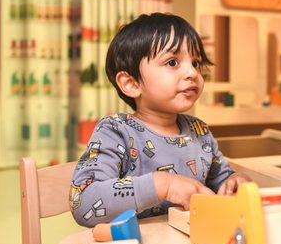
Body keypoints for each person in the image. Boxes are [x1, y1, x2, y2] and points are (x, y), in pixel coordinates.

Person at [69, 12, 250, 227]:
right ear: (131, 83)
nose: (192, 72)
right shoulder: (116, 131)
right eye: (173, 62)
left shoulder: (199, 131)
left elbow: (222, 181)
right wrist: (165, 185)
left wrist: (236, 185)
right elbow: (84, 202)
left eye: (196, 62)